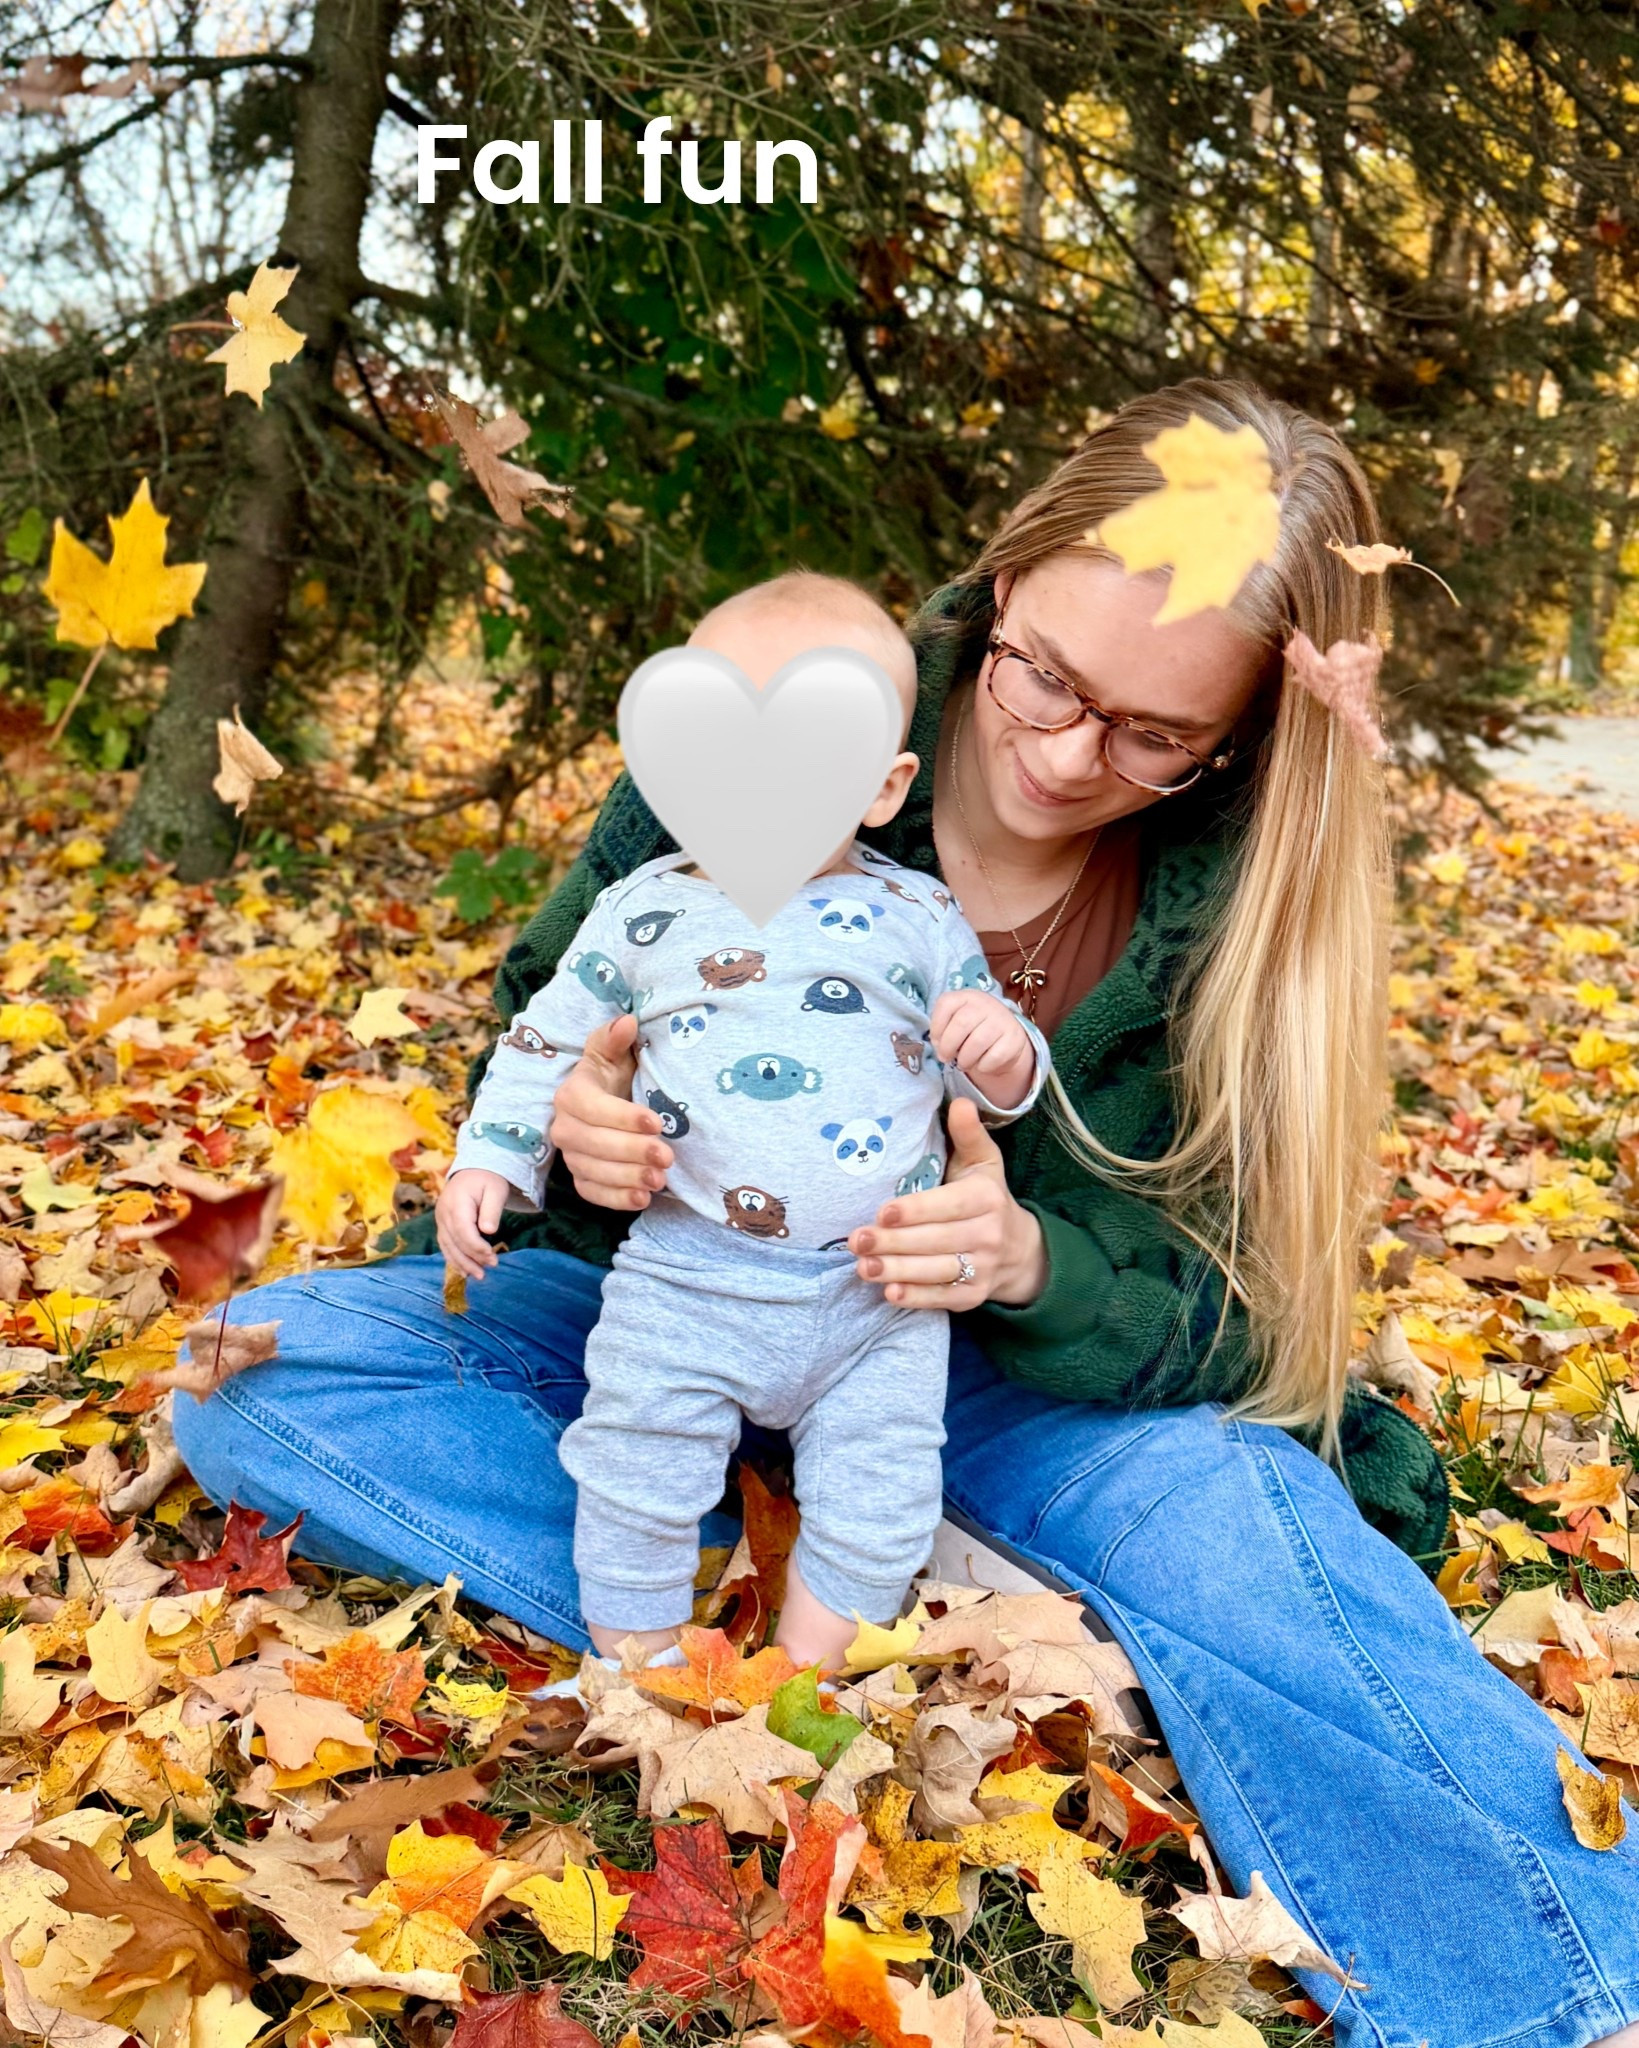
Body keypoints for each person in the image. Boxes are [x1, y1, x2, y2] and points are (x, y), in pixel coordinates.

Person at [171, 377, 1639, 2048]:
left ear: (1232, 740)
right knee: (258, 1368)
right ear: (1002, 582)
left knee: (1248, 1535)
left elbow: (1247, 1313)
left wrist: (1031, 1262)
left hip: (1010, 1398)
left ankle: (1564, 1990)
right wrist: (579, 1138)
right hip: (675, 1319)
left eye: (1152, 736)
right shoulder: (770, 719)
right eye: (1046, 678)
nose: (1065, 755)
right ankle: (865, 1616)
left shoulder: (1252, 903)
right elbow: (540, 1041)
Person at [435, 573, 1048, 1672]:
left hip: (875, 1296)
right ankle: (643, 1664)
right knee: (631, 1466)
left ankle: (802, 1671)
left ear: (881, 787)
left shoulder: (917, 913)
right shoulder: (643, 909)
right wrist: (491, 1158)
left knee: (882, 1496)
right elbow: (543, 1039)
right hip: (686, 1277)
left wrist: (1002, 1055)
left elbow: (987, 1065)